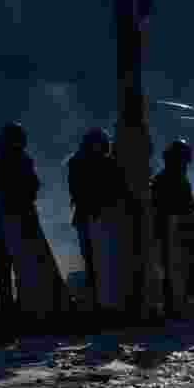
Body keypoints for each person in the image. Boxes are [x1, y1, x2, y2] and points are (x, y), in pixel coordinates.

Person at [0, 122, 41, 318]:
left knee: (7, 262)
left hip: (8, 216)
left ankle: (9, 305)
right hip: (21, 215)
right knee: (21, 261)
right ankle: (20, 303)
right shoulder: (24, 160)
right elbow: (34, 187)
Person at [67, 128, 130, 305]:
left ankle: (101, 297)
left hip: (97, 216)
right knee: (95, 259)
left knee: (99, 259)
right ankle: (99, 298)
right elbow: (79, 191)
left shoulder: (88, 162)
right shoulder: (82, 162)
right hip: (92, 216)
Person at [153, 139, 194, 313]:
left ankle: (174, 301)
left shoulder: (166, 177)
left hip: (167, 229)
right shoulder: (173, 178)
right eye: (185, 158)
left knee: (171, 267)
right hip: (170, 230)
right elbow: (178, 204)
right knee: (174, 267)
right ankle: (174, 303)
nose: (187, 162)